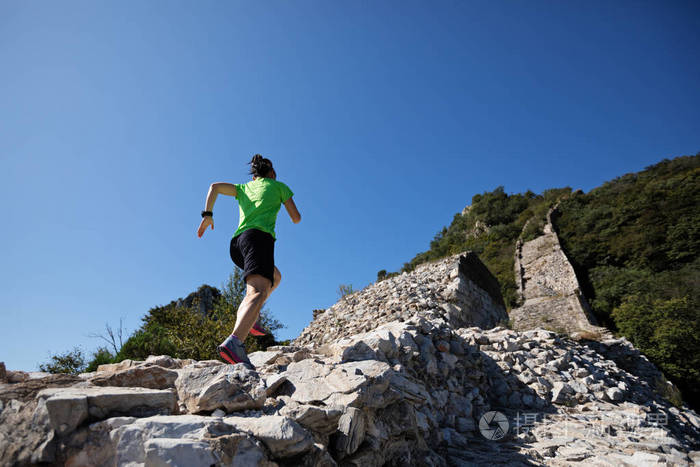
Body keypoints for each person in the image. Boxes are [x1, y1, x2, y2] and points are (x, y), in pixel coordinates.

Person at [197, 154, 301, 369]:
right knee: (259, 292)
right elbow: (296, 217)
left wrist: (207, 214)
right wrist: (283, 200)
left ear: (254, 177)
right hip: (258, 239)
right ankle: (235, 342)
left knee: (275, 277)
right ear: (272, 174)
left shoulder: (244, 188)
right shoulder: (279, 186)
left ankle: (252, 317)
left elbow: (215, 186)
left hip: (237, 245)